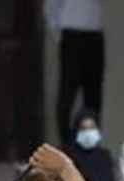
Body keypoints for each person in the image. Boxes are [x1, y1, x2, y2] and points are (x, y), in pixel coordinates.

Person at [45, 0, 105, 143]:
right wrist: (60, 36)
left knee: (93, 95)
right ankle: (66, 144)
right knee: (67, 93)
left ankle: (89, 145)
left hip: (95, 34)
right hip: (71, 34)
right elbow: (50, 7)